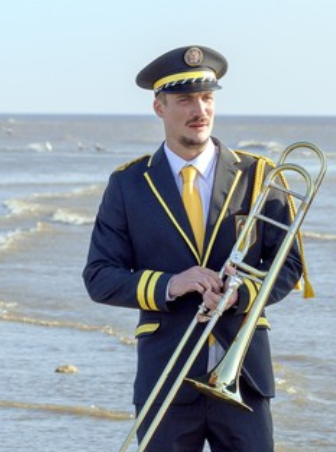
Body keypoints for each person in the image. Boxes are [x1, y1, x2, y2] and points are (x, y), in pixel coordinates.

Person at [83, 44, 305, 452]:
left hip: (244, 376)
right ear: (159, 107)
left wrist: (242, 295)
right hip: (165, 374)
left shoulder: (260, 176)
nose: (199, 109)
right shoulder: (129, 185)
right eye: (185, 99)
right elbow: (99, 278)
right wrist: (172, 283)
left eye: (207, 97)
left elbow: (288, 265)